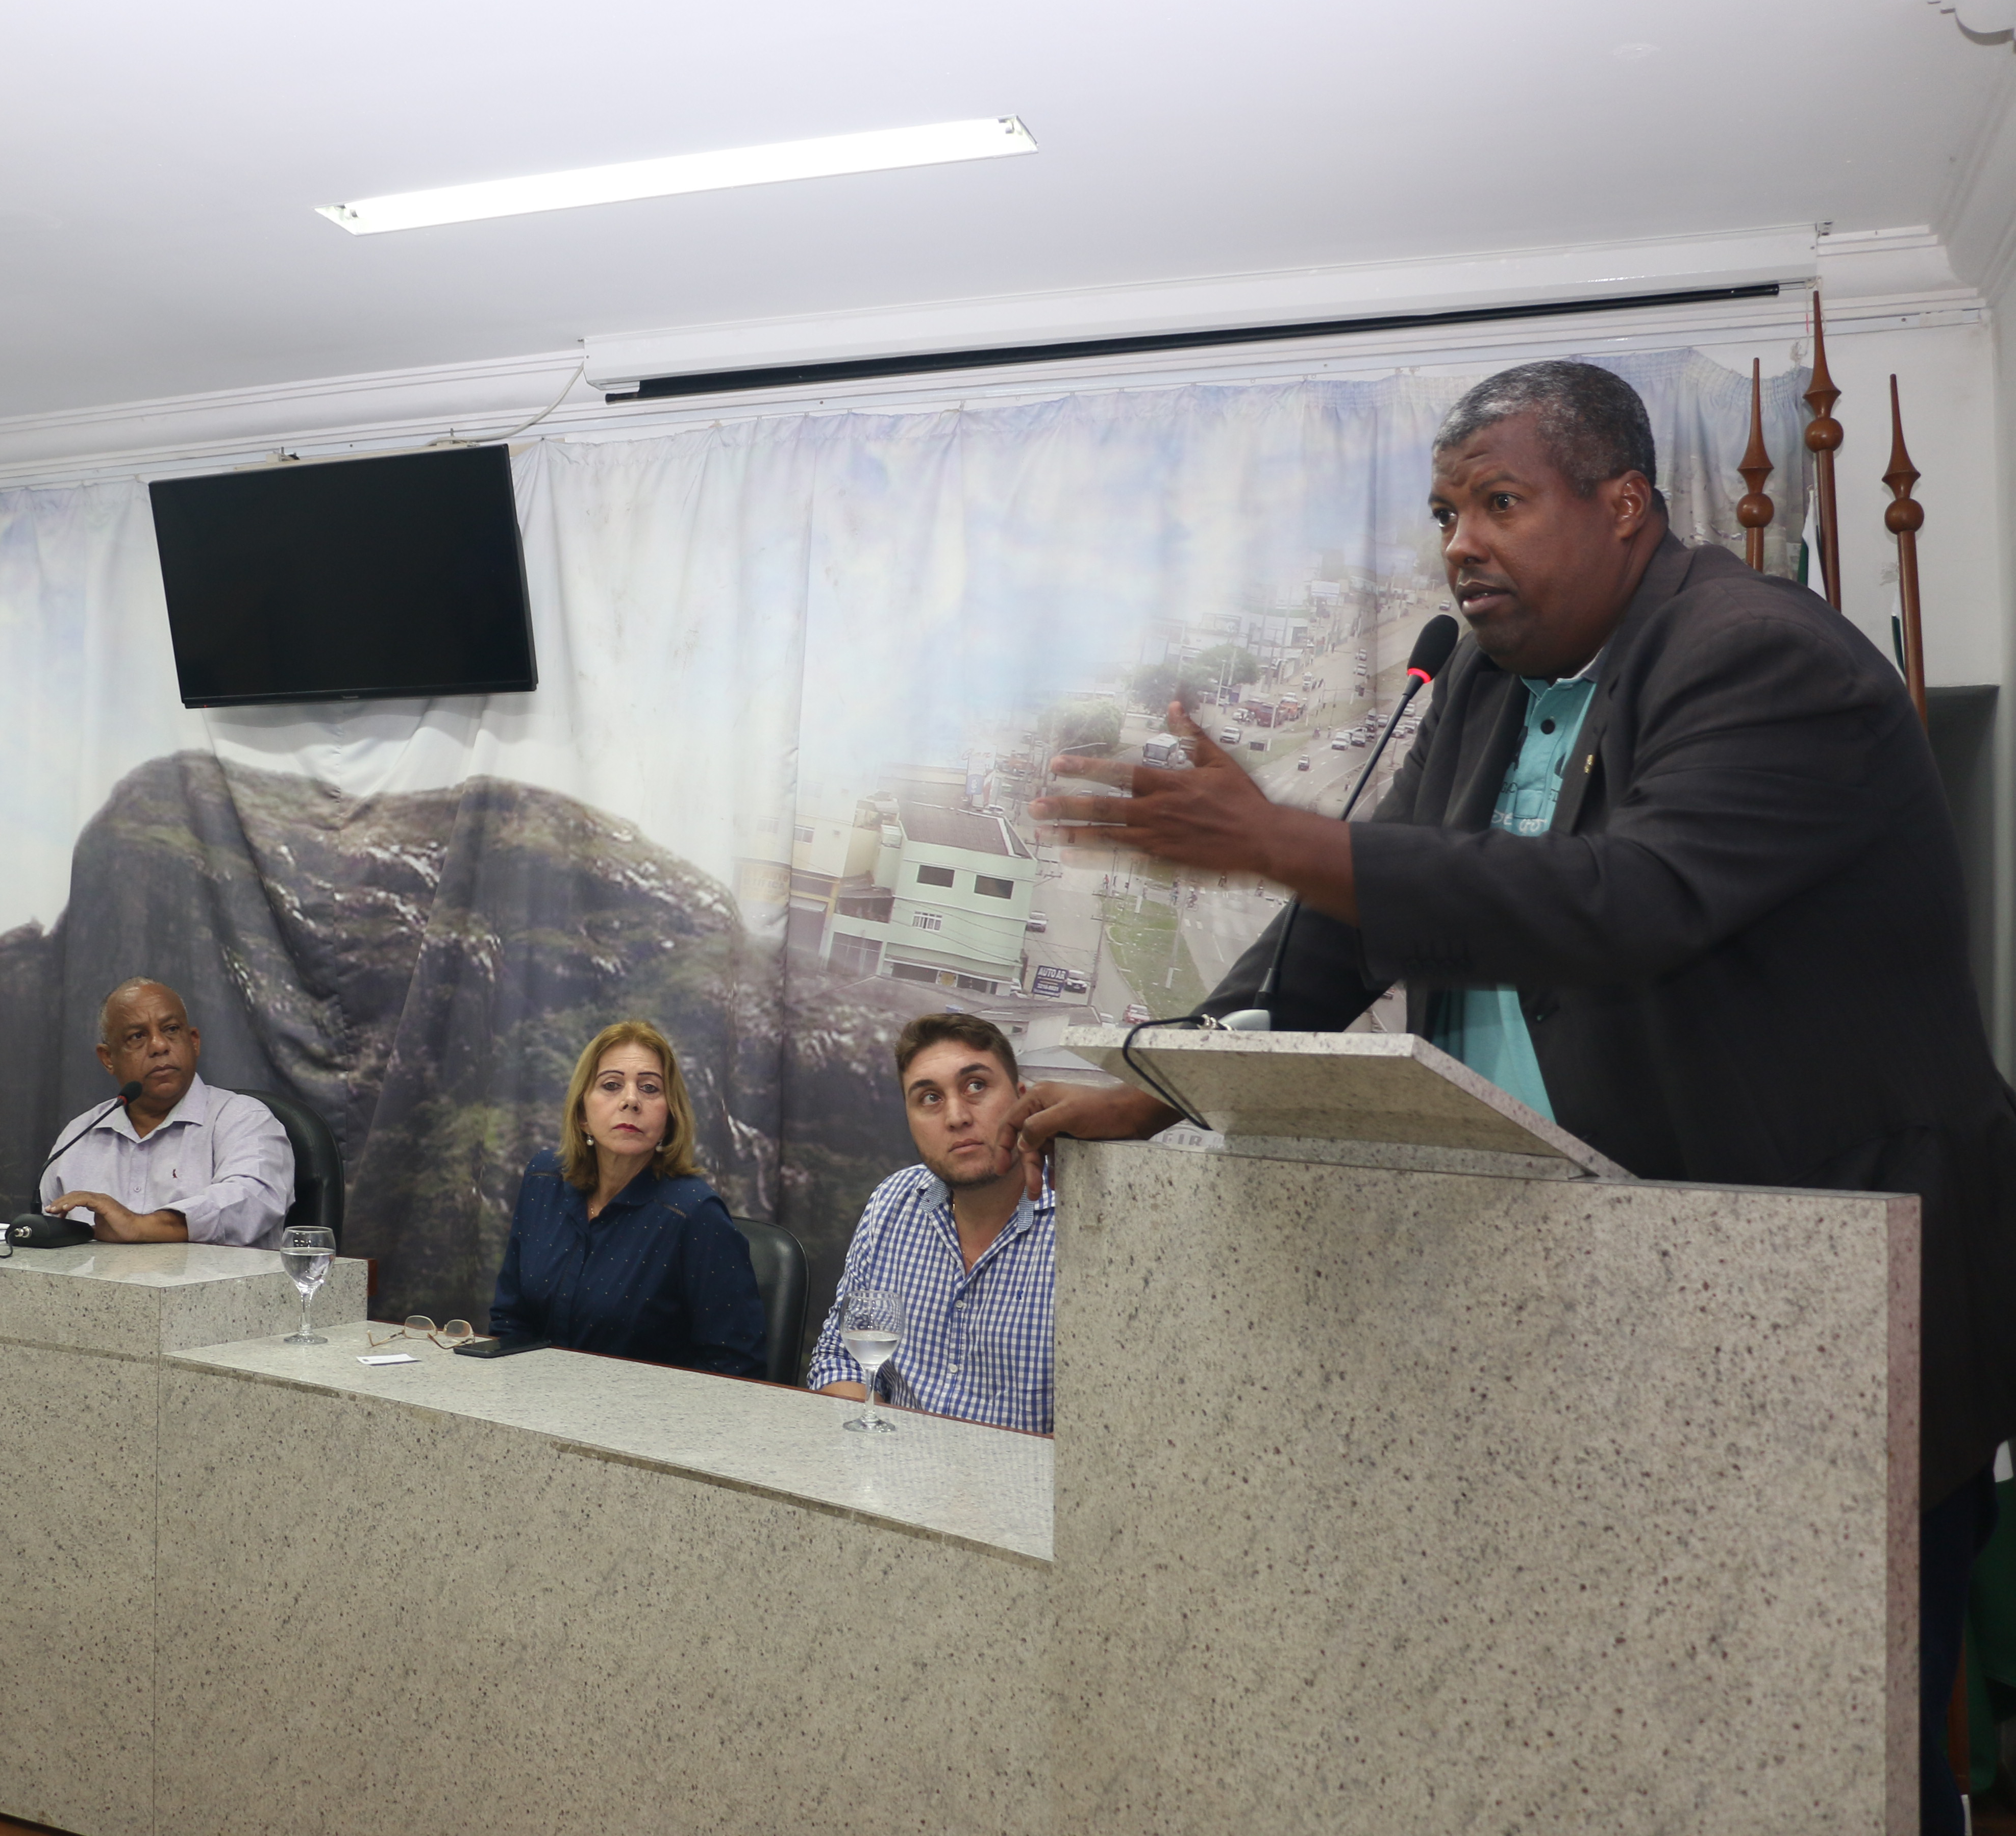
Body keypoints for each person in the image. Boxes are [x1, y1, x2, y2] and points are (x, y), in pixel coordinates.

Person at [1014, 359, 2016, 1833]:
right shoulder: (1488, 678)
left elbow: (1630, 900)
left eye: (1499, 502)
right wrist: (1168, 1080)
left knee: (1819, 1756)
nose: (1462, 544)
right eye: (1445, 513)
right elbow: (1357, 919)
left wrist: (1281, 837)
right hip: (1574, 1297)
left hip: (1806, 1303)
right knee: (1615, 1734)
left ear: (1623, 506)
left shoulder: (1760, 655)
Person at [806, 1012, 1055, 1432]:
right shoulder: (894, 1201)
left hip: (1021, 1474)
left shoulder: (1088, 1224)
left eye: (976, 1086)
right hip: (891, 1467)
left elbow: (1112, 1426)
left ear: (1022, 1100)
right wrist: (877, 1444)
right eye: (930, 1098)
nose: (956, 1116)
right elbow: (839, 1356)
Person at [488, 1019, 765, 1377]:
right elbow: (510, 1320)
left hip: (647, 1411)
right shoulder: (544, 1181)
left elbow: (736, 1367)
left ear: (669, 1118)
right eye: (611, 1085)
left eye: (650, 1088)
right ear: (583, 1115)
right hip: (533, 1400)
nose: (631, 1100)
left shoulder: (695, 1214)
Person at [38, 978, 294, 1245]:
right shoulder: (78, 1136)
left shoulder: (245, 1119)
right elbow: (47, 1238)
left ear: (194, 1042)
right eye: (137, 1036)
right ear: (108, 1059)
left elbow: (250, 1202)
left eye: (171, 1030)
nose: (159, 1046)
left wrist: (140, 1227)